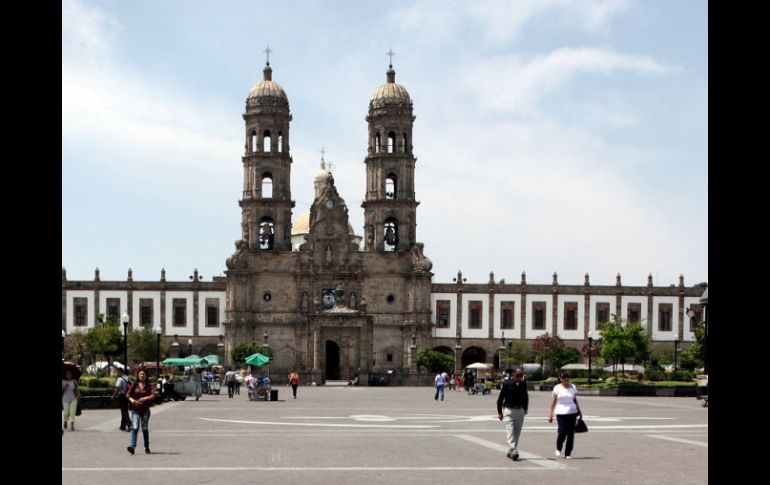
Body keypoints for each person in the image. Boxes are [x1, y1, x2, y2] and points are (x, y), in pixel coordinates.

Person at [496, 368, 529, 461]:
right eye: (518, 376)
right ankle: (514, 450)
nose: (519, 378)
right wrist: (499, 412)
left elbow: (526, 397)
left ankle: (511, 450)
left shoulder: (523, 384)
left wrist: (525, 408)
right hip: (509, 411)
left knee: (517, 433)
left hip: (519, 410)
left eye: (521, 376)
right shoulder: (507, 384)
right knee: (510, 431)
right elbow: (500, 399)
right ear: (513, 375)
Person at [548, 372, 581, 459]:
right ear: (560, 379)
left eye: (567, 377)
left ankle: (568, 453)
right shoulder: (557, 388)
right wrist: (550, 414)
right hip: (560, 413)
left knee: (571, 434)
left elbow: (574, 399)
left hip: (572, 413)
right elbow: (553, 401)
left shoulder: (573, 387)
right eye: (563, 378)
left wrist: (579, 410)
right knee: (562, 432)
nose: (566, 379)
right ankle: (559, 447)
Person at [126, 369, 158, 455]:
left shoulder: (150, 385)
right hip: (135, 410)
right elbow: (128, 395)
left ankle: (146, 446)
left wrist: (145, 398)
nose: (142, 376)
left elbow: (154, 394)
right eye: (140, 374)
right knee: (135, 428)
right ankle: (132, 447)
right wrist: (132, 400)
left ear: (146, 375)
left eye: (143, 374)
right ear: (138, 375)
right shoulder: (134, 384)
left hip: (145, 411)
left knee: (144, 428)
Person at [111, 367, 132, 432]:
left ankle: (129, 424)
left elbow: (117, 388)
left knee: (124, 411)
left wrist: (113, 395)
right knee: (124, 410)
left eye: (117, 372)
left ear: (120, 372)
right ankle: (122, 426)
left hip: (122, 396)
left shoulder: (120, 379)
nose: (117, 373)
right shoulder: (127, 377)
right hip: (127, 395)